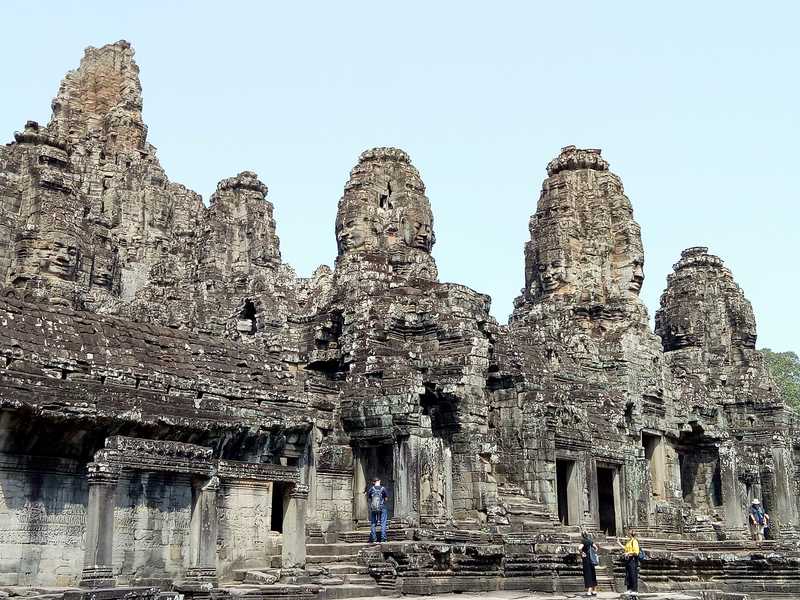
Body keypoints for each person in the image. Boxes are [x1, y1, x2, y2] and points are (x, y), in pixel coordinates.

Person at [616, 528, 640, 596]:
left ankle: (634, 590)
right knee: (628, 575)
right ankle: (629, 589)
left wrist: (628, 553)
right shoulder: (629, 541)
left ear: (631, 534)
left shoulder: (634, 541)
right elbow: (625, 548)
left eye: (628, 533)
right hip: (628, 560)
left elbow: (636, 552)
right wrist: (619, 543)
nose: (627, 534)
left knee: (633, 575)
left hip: (632, 560)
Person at [366, 477, 388, 543]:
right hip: (382, 507)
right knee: (383, 523)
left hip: (374, 508)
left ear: (373, 482)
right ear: (379, 481)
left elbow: (369, 498)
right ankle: (383, 538)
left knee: (373, 523)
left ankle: (374, 539)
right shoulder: (383, 489)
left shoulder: (371, 489)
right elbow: (386, 498)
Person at [578, 529, 599, 596]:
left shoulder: (583, 541)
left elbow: (579, 548)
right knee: (593, 574)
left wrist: (582, 553)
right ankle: (594, 590)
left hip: (586, 560)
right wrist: (594, 553)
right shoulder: (590, 541)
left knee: (588, 574)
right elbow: (596, 548)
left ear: (582, 535)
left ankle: (589, 591)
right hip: (592, 560)